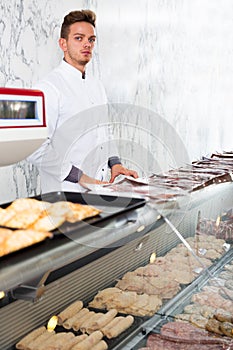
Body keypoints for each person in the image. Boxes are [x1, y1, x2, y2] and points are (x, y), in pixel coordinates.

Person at [27, 9, 138, 193]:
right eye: (79, 38)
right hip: (66, 194)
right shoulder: (48, 88)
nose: (86, 44)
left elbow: (105, 131)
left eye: (91, 39)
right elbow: (34, 148)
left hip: (101, 190)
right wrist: (80, 177)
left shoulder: (97, 85)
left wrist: (115, 163)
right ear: (63, 43)